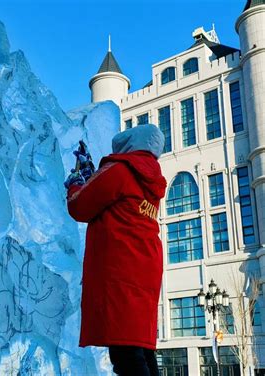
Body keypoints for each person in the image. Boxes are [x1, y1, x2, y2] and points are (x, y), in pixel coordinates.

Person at [64, 124, 167, 376]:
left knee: (125, 354)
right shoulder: (150, 179)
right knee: (140, 348)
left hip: (120, 269)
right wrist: (93, 180)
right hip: (145, 269)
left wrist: (76, 185)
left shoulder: (120, 169)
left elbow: (81, 206)